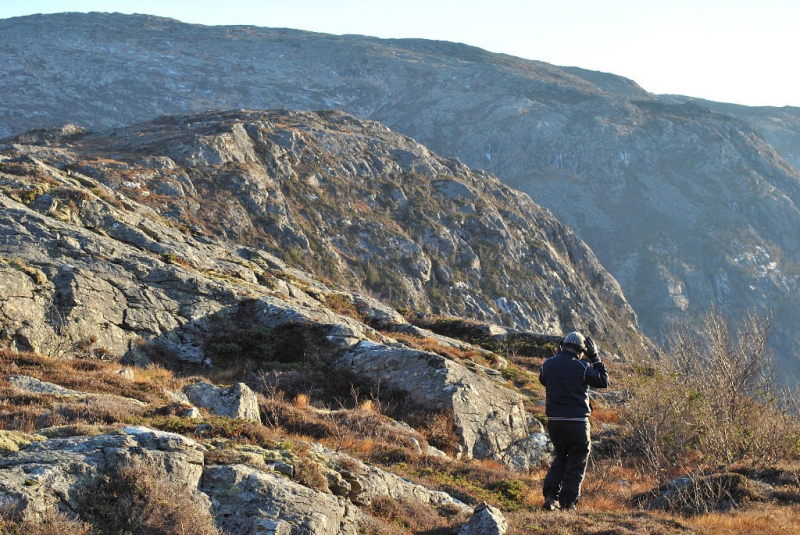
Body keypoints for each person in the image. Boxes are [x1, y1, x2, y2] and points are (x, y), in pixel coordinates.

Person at [538, 331, 608, 511]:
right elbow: (603, 381)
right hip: (577, 423)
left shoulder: (548, 365)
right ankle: (568, 504)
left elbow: (544, 380)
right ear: (581, 350)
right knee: (576, 462)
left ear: (563, 345)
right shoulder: (582, 367)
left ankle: (551, 496)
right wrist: (596, 358)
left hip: (555, 422)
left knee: (561, 457)